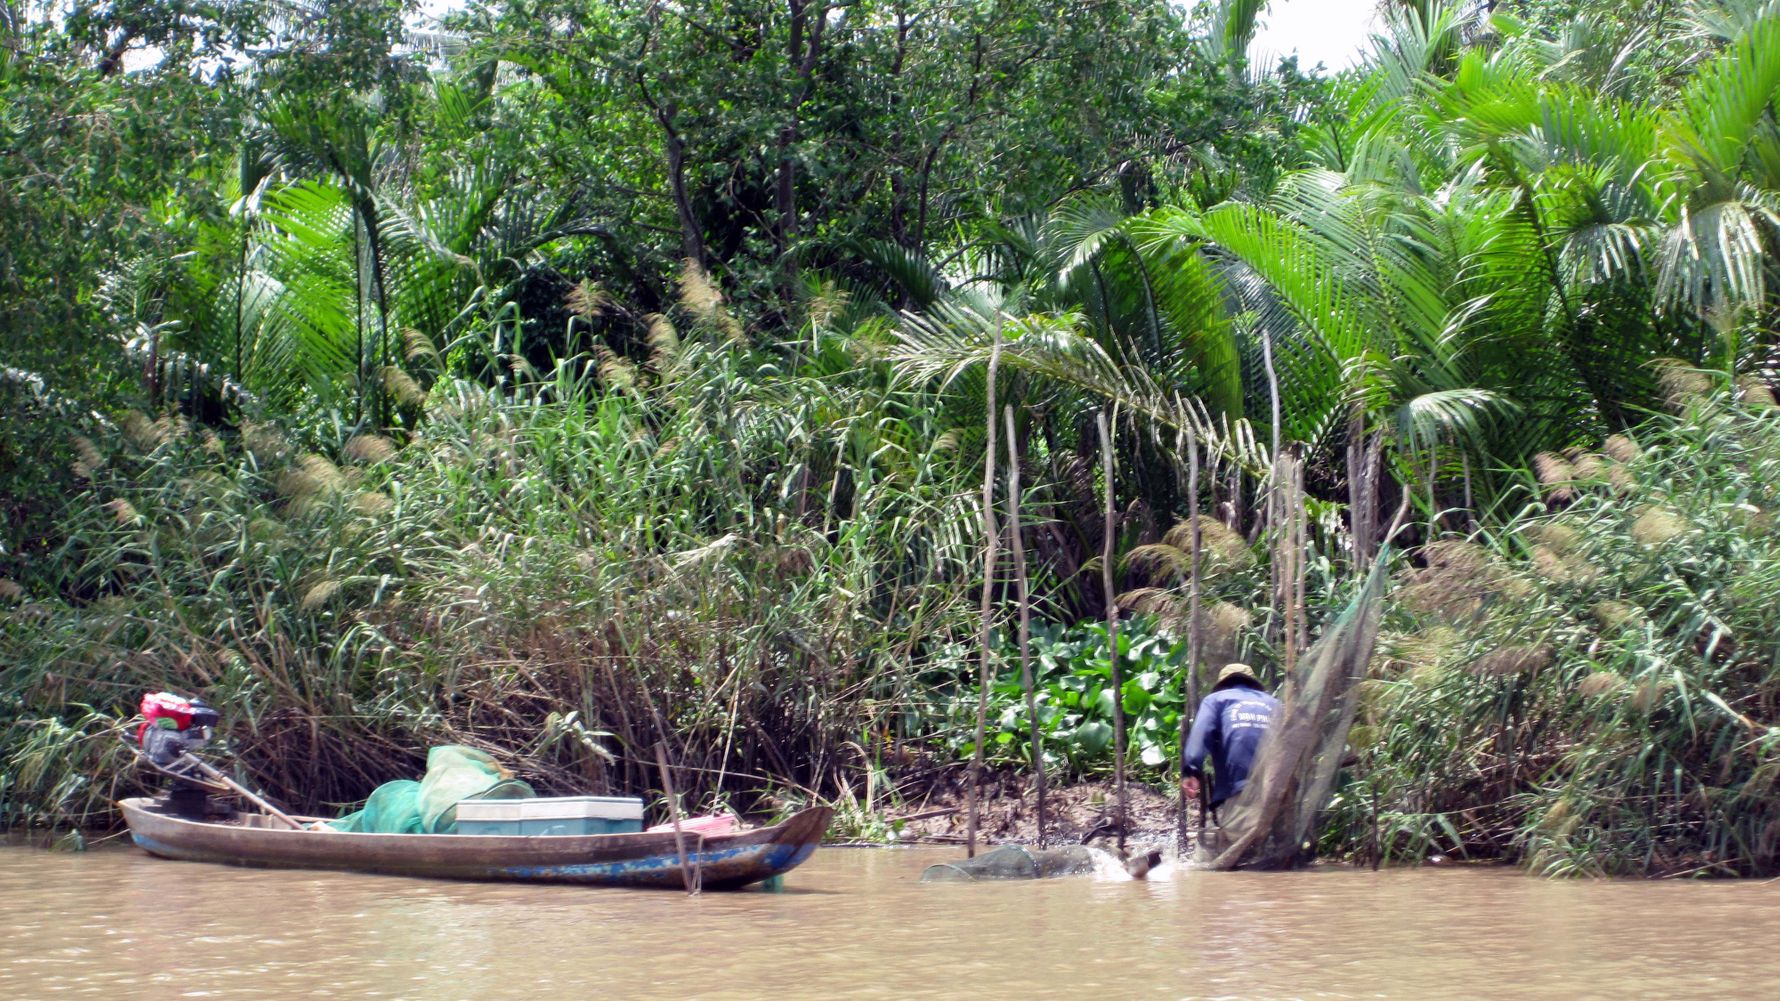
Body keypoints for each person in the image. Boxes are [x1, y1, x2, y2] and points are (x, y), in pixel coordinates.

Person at [1181, 663, 1280, 813]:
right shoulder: (1275, 703)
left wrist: (1192, 772)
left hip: (1238, 786)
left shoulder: (1216, 700)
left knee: (1241, 834)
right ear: (1253, 684)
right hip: (1277, 783)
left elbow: (1200, 737)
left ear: (1223, 685)